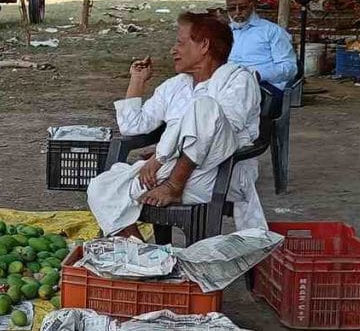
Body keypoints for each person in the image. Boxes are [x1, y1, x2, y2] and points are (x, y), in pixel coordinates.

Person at [87, 12, 267, 239]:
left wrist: (160, 157)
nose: (173, 50)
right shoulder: (175, 86)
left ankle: (174, 186)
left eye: (180, 43)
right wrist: (137, 81)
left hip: (218, 173)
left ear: (204, 46)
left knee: (203, 108)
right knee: (101, 188)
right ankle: (144, 260)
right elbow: (132, 126)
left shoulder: (238, 80)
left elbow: (213, 132)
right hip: (169, 169)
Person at [225, 0, 298, 92]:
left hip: (263, 87)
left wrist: (258, 75)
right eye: (231, 8)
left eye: (243, 7)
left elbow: (290, 68)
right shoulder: (225, 32)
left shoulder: (272, 31)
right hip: (229, 85)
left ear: (253, 3)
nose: (237, 12)